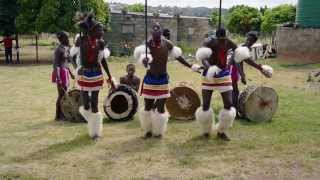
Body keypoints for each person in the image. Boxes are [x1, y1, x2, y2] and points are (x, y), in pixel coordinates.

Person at [134, 23, 201, 139]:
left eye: (157, 29)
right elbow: (142, 59)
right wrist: (144, 61)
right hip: (150, 79)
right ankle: (148, 131)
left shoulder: (167, 44)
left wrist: (190, 66)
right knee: (148, 107)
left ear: (161, 31)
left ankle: (158, 132)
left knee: (160, 107)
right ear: (151, 32)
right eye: (153, 29)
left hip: (162, 80)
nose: (155, 31)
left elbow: (179, 57)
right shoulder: (147, 45)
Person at [70, 13, 115, 140]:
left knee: (95, 104)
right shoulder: (81, 40)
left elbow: (103, 60)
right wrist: (76, 69)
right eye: (99, 29)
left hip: (96, 74)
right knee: (86, 105)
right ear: (91, 30)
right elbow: (72, 56)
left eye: (102, 29)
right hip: (84, 74)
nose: (102, 31)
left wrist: (109, 76)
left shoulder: (101, 43)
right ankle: (90, 120)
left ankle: (95, 133)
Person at [195, 28, 238, 141]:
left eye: (224, 39)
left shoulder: (228, 42)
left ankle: (222, 131)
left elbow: (237, 51)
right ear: (216, 37)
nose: (222, 41)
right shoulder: (209, 42)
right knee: (205, 105)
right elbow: (203, 58)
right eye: (220, 39)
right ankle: (206, 130)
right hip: (208, 75)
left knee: (228, 104)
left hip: (224, 74)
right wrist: (209, 67)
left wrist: (230, 61)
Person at [230, 31, 273, 118]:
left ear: (254, 42)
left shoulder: (247, 49)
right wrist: (242, 75)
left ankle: (234, 111)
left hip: (234, 70)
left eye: (250, 40)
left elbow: (246, 61)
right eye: (248, 39)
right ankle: (234, 114)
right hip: (232, 69)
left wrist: (259, 68)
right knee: (234, 91)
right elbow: (237, 62)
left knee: (234, 91)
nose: (248, 41)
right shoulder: (242, 47)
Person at [51, 31, 75, 121]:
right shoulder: (58, 50)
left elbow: (66, 63)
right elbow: (55, 64)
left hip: (65, 72)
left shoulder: (65, 48)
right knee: (61, 95)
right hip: (60, 73)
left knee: (65, 95)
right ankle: (58, 116)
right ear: (61, 39)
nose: (68, 39)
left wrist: (71, 73)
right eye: (67, 38)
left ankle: (63, 114)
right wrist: (58, 78)